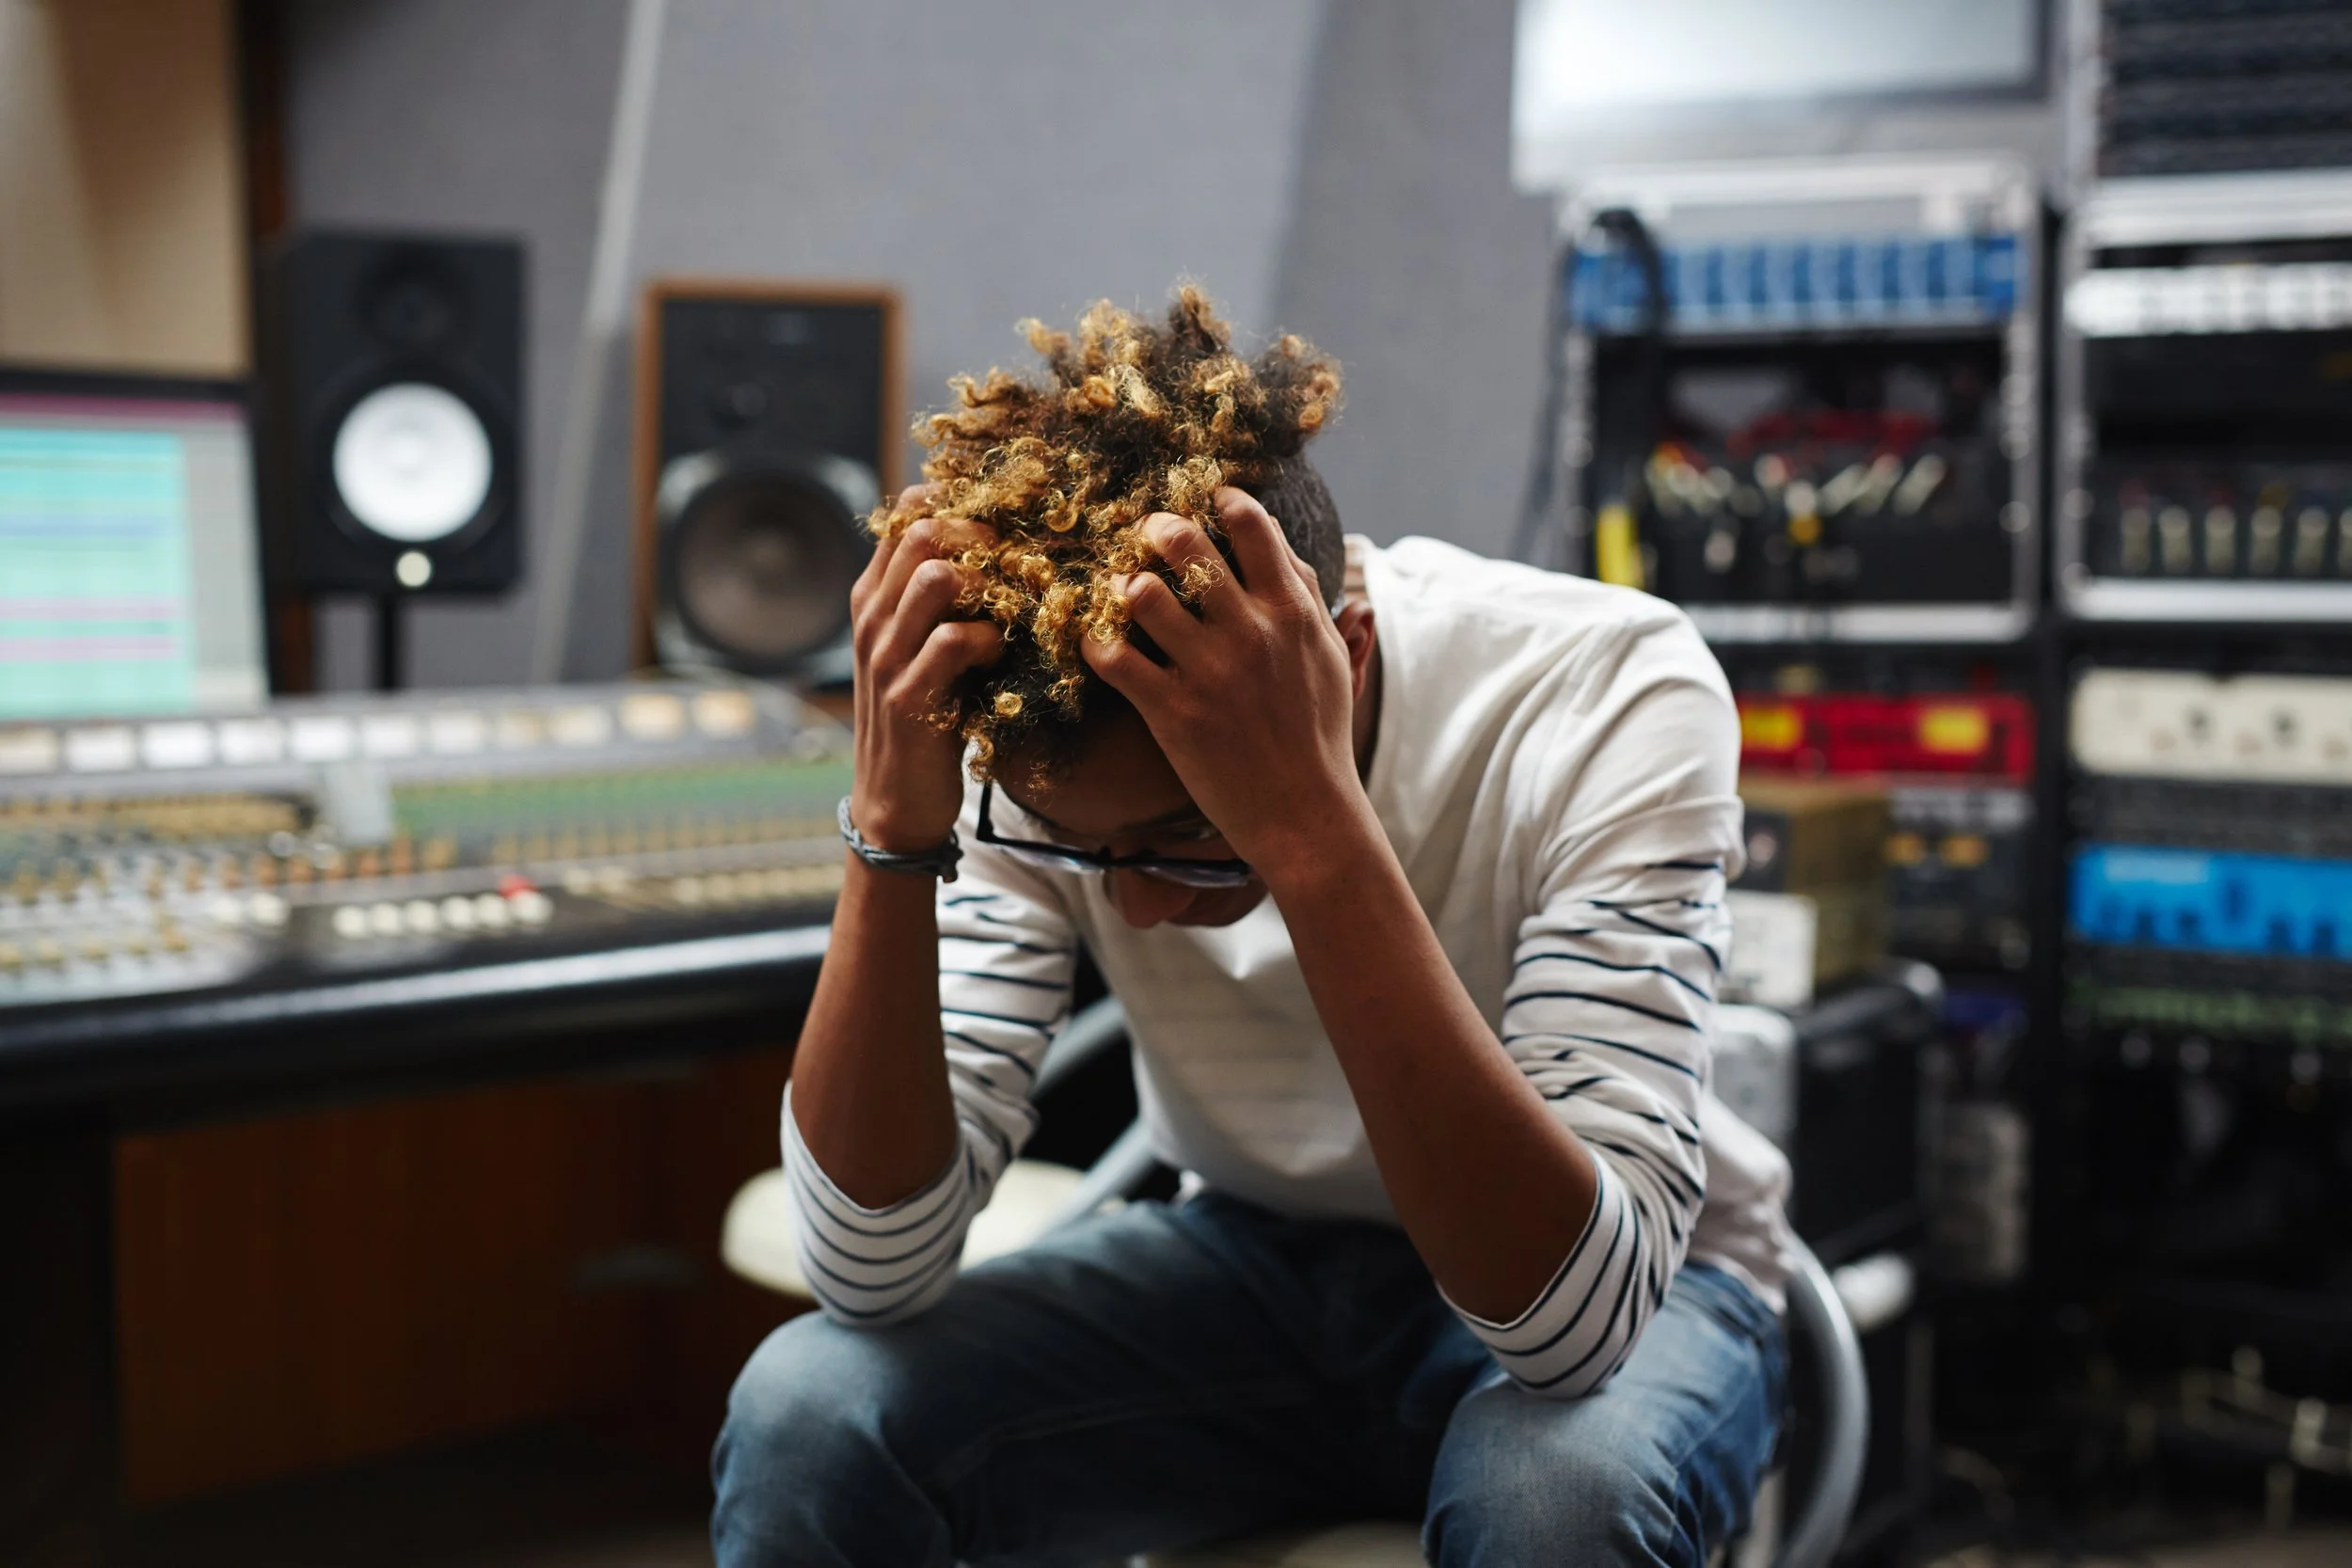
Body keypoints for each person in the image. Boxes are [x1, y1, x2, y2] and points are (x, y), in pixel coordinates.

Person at [712, 289, 1795, 1568]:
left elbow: (1568, 1325)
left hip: (1631, 1283)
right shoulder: (1060, 765)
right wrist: (892, 830)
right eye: (1086, 852)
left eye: (1183, 840)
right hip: (1249, 1263)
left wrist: (1308, 826)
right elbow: (868, 1266)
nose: (1141, 907)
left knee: (1556, 1499)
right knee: (811, 1408)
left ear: (1334, 655)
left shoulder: (1607, 685)